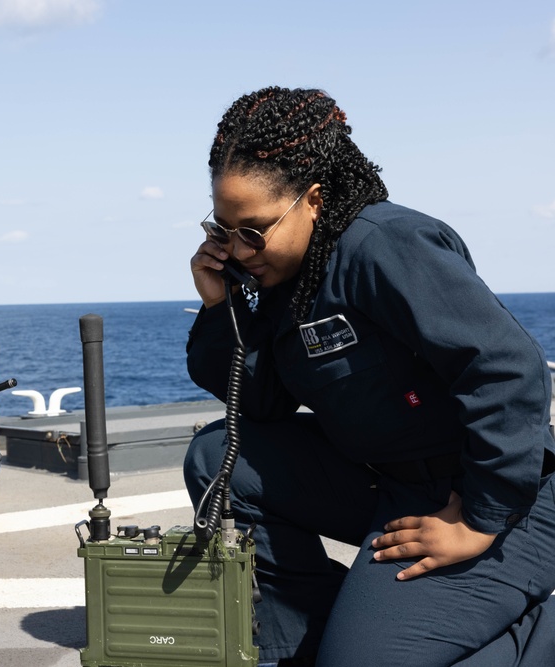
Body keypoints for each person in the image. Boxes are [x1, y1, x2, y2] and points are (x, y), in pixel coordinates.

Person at [183, 86, 555, 666]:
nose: (239, 247)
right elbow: (260, 406)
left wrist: (479, 521)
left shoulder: (386, 246)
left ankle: (534, 631)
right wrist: (220, 308)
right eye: (223, 229)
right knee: (218, 459)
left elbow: (509, 370)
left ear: (312, 199)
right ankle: (302, 647)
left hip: (495, 499)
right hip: (390, 488)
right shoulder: (285, 274)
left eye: (253, 229)